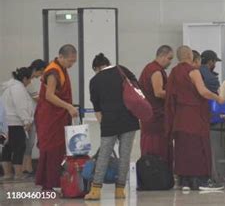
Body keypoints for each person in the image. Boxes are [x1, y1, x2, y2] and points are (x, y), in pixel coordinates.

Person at [165, 46, 225, 191]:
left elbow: (169, 95)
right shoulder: (193, 71)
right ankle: (201, 181)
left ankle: (185, 182)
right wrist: (218, 98)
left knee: (183, 148)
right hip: (194, 116)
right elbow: (203, 91)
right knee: (198, 148)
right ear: (190, 55)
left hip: (180, 116)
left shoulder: (173, 72)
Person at [85, 53, 140, 200]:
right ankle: (120, 190)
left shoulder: (95, 81)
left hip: (109, 121)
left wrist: (105, 126)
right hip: (129, 118)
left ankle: (95, 190)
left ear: (96, 68)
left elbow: (97, 109)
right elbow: (137, 89)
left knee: (103, 154)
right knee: (125, 155)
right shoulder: (122, 70)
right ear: (108, 63)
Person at [35, 44, 78, 192]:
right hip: (49, 117)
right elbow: (49, 96)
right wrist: (69, 106)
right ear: (61, 57)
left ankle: (55, 182)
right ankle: (47, 185)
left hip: (57, 117)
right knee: (50, 150)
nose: (71, 64)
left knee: (59, 150)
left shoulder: (61, 69)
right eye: (69, 61)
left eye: (73, 61)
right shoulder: (53, 72)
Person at [139, 45, 174, 162]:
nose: (170, 62)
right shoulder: (156, 71)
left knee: (148, 146)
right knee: (157, 148)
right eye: (169, 58)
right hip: (156, 117)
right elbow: (158, 92)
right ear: (162, 56)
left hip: (147, 116)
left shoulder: (147, 68)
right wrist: (175, 95)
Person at [0, 67, 34, 180]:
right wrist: (27, 121)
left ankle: (7, 174)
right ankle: (18, 174)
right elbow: (21, 107)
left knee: (7, 147)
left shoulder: (8, 87)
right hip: (15, 122)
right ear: (24, 78)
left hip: (5, 122)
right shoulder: (18, 88)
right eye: (29, 79)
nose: (30, 82)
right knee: (19, 147)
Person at [22, 59, 48, 177]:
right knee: (29, 142)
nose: (40, 76)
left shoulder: (29, 81)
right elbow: (36, 98)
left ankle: (27, 167)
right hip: (27, 116)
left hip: (31, 115)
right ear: (38, 70)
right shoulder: (26, 80)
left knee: (30, 142)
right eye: (41, 73)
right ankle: (26, 167)